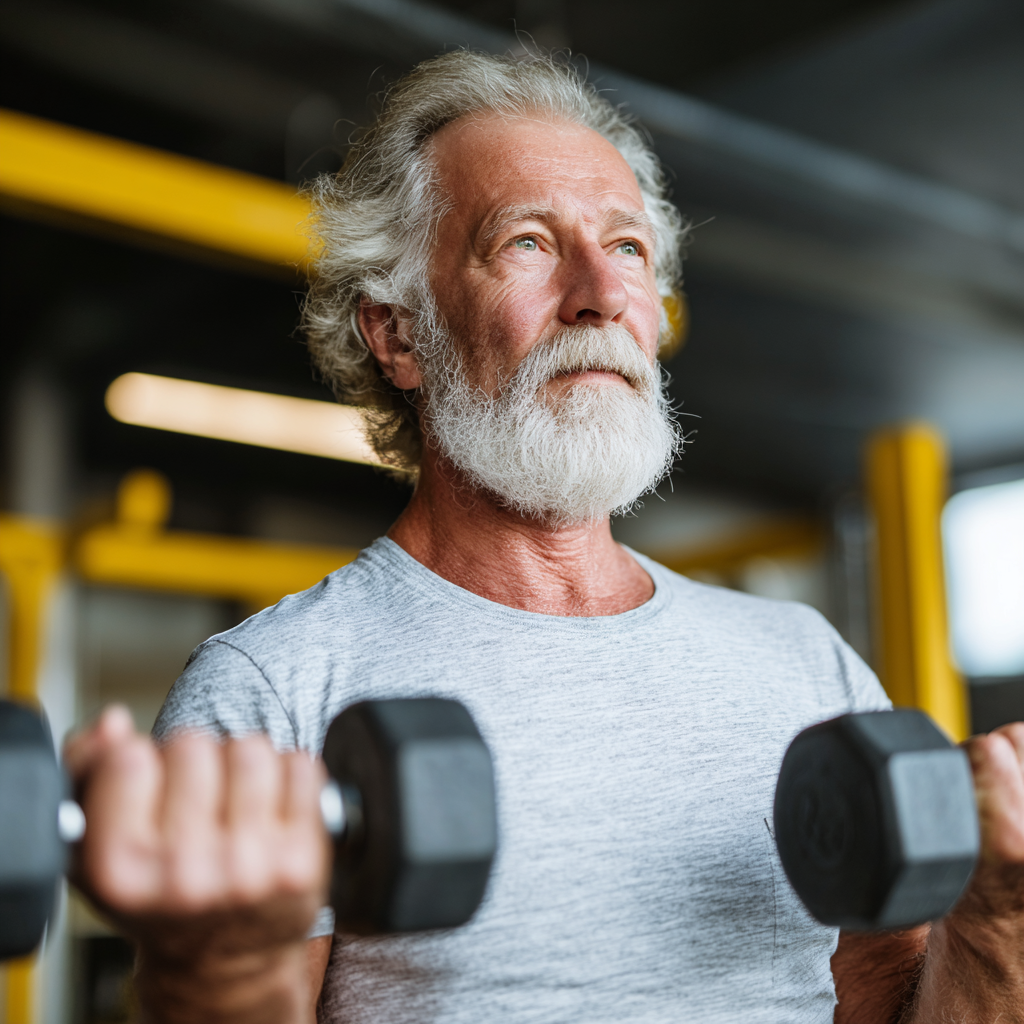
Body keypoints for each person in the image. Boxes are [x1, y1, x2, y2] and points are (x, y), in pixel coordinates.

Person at [65, 51, 1024, 1024]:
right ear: (398, 332)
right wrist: (214, 972)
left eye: (628, 249)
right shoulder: (277, 684)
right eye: (526, 241)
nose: (597, 292)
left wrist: (994, 927)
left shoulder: (805, 667)